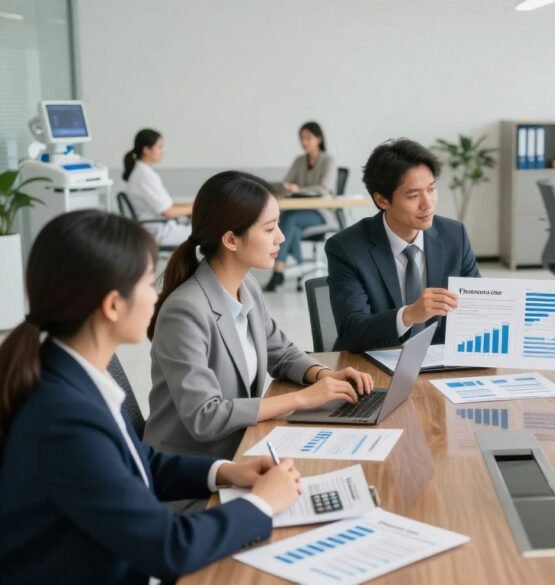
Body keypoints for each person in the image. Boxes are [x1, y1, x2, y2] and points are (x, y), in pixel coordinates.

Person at [0, 210, 302, 584]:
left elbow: (137, 462)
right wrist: (262, 504)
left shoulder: (72, 374)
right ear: (112, 305)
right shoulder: (65, 416)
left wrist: (223, 472)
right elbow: (168, 548)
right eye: (147, 283)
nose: (156, 296)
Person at [145, 171, 373, 464]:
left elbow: (283, 354)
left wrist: (323, 375)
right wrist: (303, 398)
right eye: (269, 229)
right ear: (231, 240)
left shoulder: (246, 286)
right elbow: (205, 416)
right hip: (191, 470)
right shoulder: (186, 311)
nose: (282, 237)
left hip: (241, 449)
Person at [326, 138, 480, 352]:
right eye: (414, 195)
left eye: (431, 189)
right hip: (373, 367)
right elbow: (352, 332)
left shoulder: (454, 236)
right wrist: (409, 315)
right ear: (382, 200)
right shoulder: (347, 248)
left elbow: (476, 308)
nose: (427, 204)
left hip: (440, 365)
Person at [265, 121, 339, 292]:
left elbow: (325, 188)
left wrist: (300, 189)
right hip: (299, 211)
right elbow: (287, 182)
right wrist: (288, 187)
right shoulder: (299, 161)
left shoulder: (329, 160)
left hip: (322, 213)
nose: (304, 142)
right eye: (301, 139)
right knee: (290, 223)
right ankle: (297, 267)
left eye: (308, 138)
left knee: (289, 219)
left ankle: (279, 269)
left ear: (318, 139)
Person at [123, 128, 193, 247]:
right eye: (159, 147)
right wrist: (195, 208)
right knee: (212, 230)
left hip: (159, 227)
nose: (162, 151)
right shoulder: (144, 175)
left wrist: (193, 205)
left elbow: (168, 204)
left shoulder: (143, 172)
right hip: (159, 231)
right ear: (146, 150)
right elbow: (168, 211)